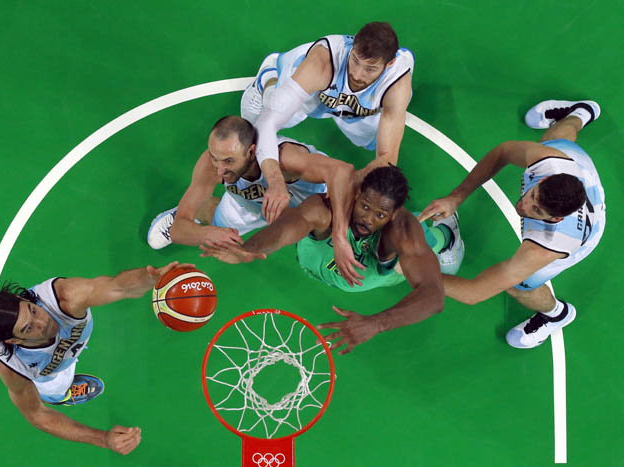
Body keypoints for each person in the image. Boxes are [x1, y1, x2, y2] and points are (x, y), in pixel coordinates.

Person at [200, 166, 465, 354]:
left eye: (380, 215)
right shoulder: (325, 208)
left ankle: (446, 233)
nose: (368, 219)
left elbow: (434, 296)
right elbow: (291, 224)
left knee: (429, 250)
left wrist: (377, 322)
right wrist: (250, 248)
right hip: (325, 265)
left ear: (394, 214)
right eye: (364, 207)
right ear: (358, 193)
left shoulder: (401, 230)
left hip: (388, 263)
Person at [419, 99, 605, 349]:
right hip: (580, 172)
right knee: (557, 142)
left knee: (519, 287)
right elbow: (504, 152)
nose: (524, 207)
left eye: (536, 210)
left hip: (583, 235)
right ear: (546, 179)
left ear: (555, 218)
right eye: (532, 195)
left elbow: (475, 292)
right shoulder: (550, 162)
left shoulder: (546, 246)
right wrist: (456, 196)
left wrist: (412, 270)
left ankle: (556, 314)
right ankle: (581, 113)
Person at [0, 261, 191, 454]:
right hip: (49, 371)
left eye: (33, 310)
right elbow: (36, 414)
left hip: (71, 347)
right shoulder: (14, 367)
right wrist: (103, 439)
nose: (43, 322)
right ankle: (61, 395)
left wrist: (154, 278)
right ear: (14, 341)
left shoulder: (65, 299)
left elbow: (118, 287)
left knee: (64, 364)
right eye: (29, 328)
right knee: (54, 387)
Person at [241, 21, 414, 225]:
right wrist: (276, 182)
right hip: (306, 93)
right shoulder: (323, 62)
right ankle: (269, 79)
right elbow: (267, 123)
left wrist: (346, 183)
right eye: (356, 60)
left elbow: (387, 157)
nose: (357, 74)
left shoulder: (397, 84)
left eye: (370, 69)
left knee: (373, 140)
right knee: (252, 132)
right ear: (352, 48)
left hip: (350, 108)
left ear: (390, 64)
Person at [147, 116, 358, 282]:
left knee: (324, 228)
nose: (219, 169)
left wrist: (339, 236)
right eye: (214, 157)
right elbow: (177, 231)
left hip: (312, 201)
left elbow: (343, 171)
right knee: (222, 234)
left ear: (251, 151)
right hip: (252, 205)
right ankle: (198, 210)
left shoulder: (286, 159)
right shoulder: (212, 165)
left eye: (229, 161)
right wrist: (210, 233)